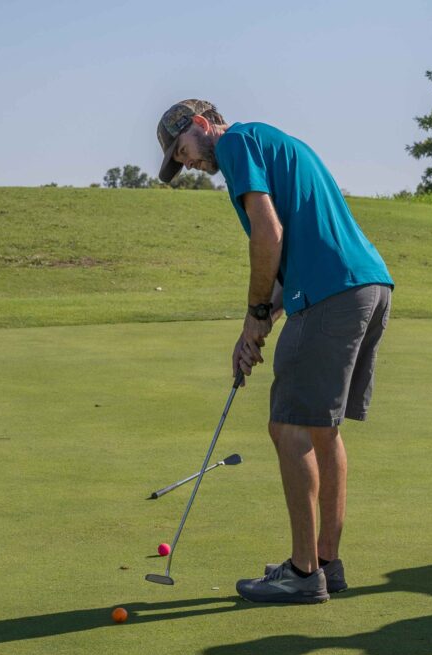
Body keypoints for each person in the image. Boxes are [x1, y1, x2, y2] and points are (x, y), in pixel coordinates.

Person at [156, 99, 393, 604]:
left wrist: (255, 311)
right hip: (366, 287)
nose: (188, 163)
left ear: (201, 125)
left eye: (182, 150)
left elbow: (268, 234)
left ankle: (303, 573)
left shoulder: (236, 143)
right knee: (321, 429)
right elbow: (294, 254)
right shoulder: (271, 142)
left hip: (332, 294)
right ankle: (326, 564)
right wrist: (257, 327)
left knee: (288, 427)